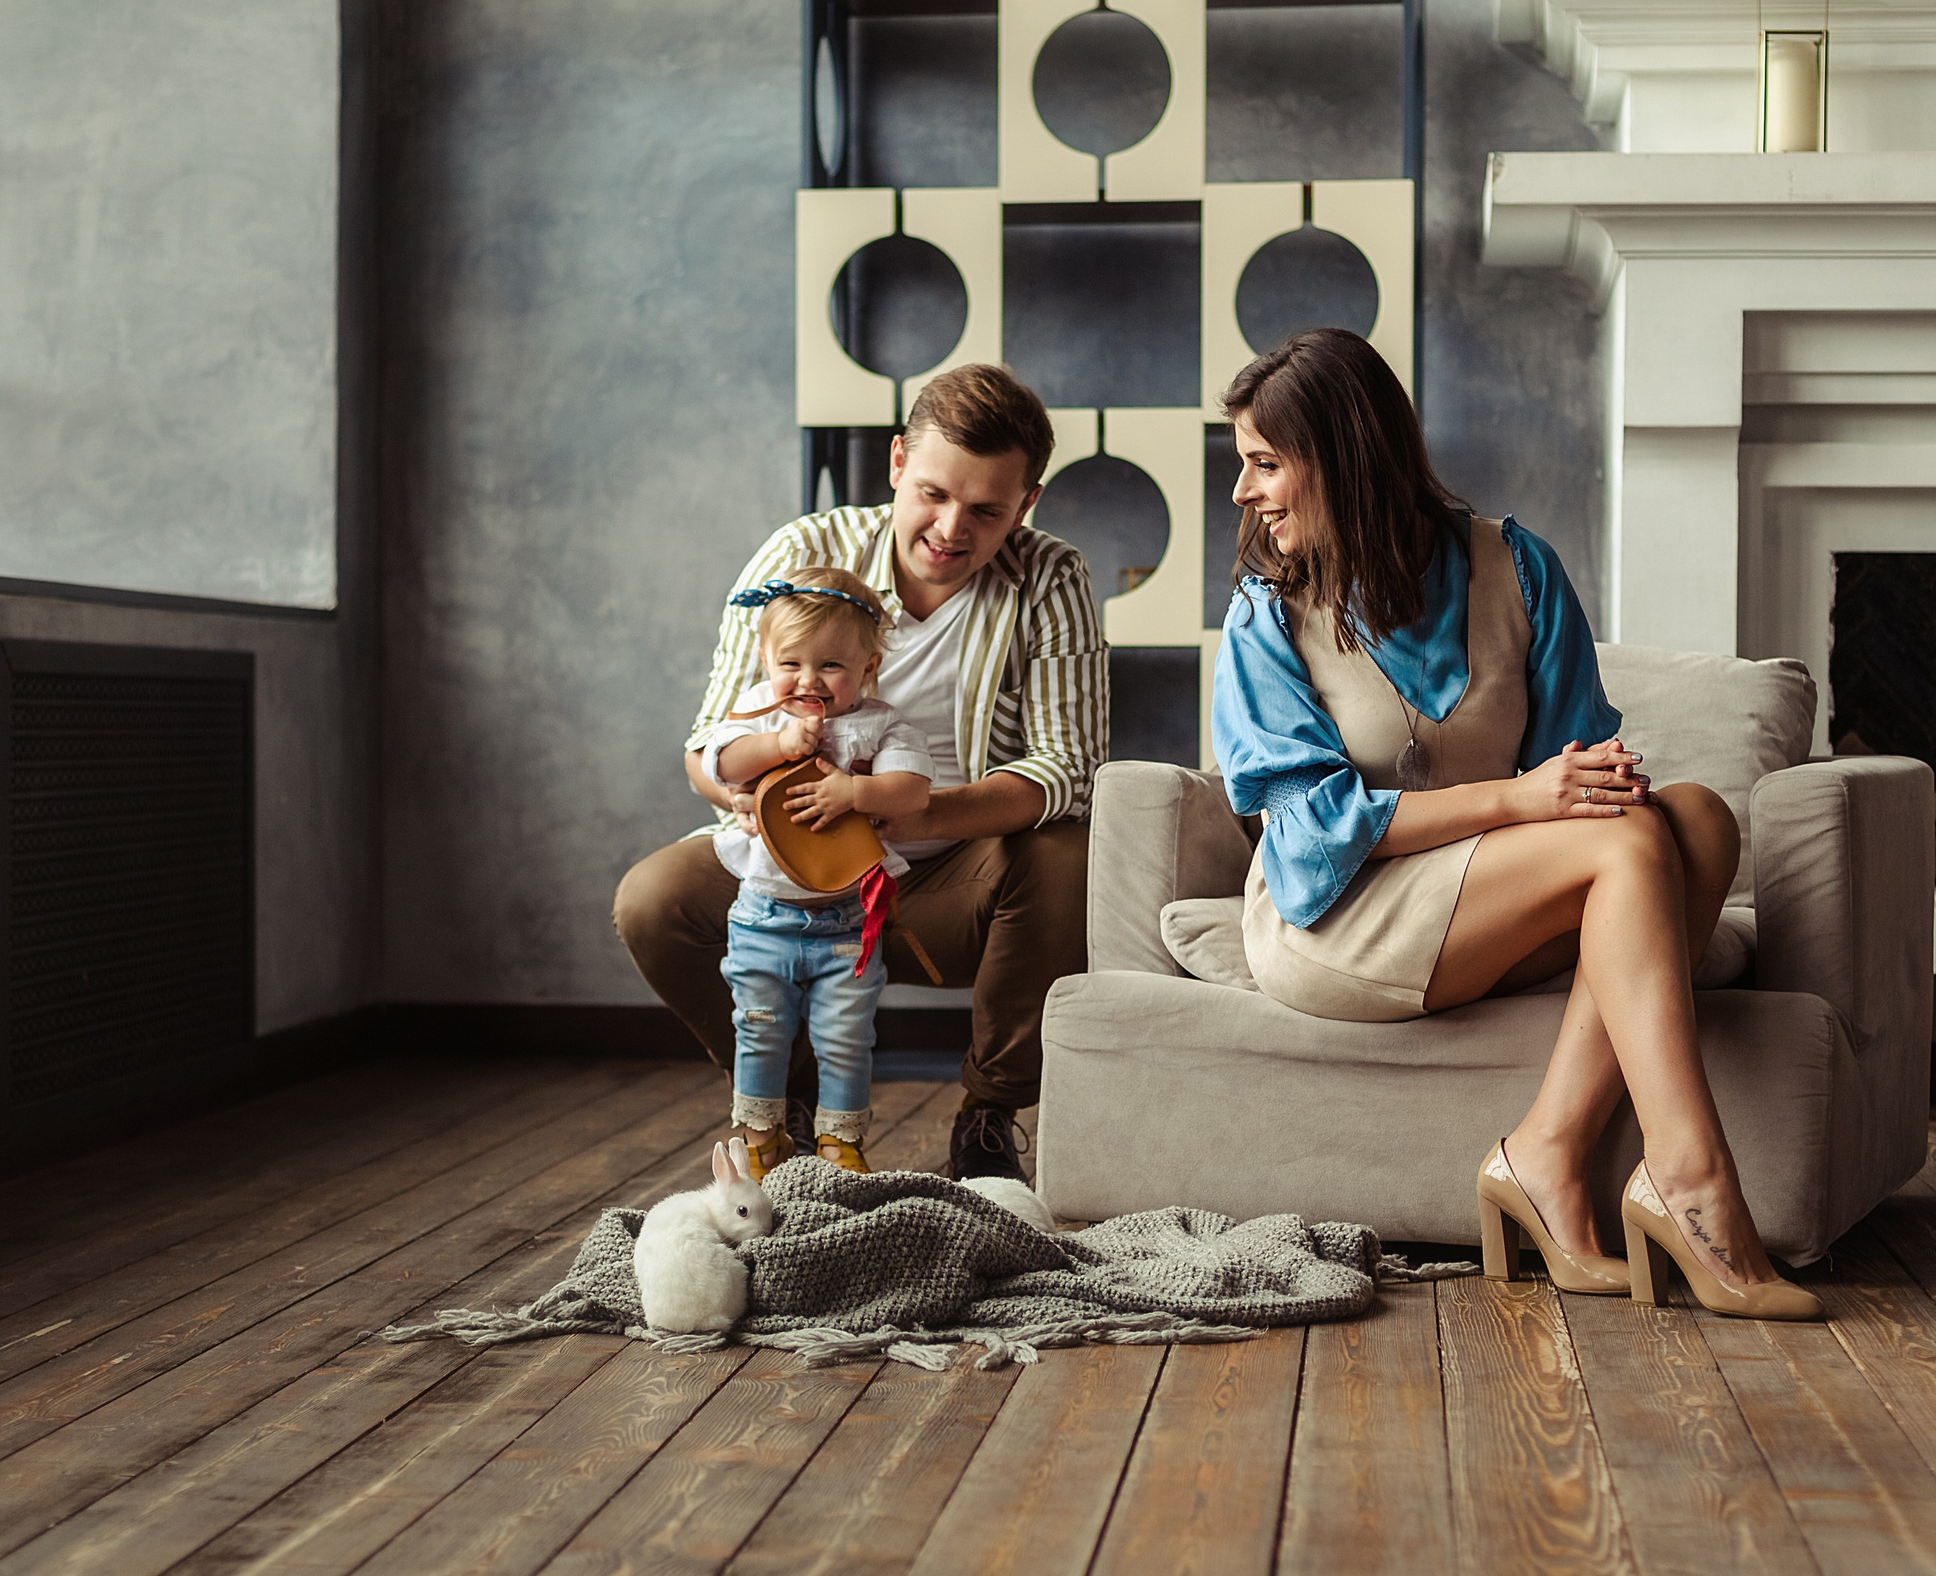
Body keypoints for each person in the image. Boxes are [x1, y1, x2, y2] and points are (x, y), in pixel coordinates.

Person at [1211, 328, 1820, 1321]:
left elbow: (1590, 780)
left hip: (1482, 895)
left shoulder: (1515, 565)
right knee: (1631, 839)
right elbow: (1314, 836)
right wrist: (1520, 798)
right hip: (1337, 917)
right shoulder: (1264, 619)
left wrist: (1570, 791)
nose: (1244, 492)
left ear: (1346, 459)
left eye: (1265, 463)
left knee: (1696, 820)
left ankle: (1546, 1152)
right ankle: (1693, 1179)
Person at [615, 363, 1105, 1182]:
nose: (952, 529)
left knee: (1072, 851)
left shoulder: (1051, 577)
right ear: (896, 463)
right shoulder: (802, 552)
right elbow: (708, 741)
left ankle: (989, 1115)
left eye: (988, 510)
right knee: (651, 901)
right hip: (788, 853)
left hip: (952, 874)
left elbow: (1067, 770)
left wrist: (907, 814)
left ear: (1028, 504)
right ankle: (790, 1100)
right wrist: (747, 789)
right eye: (933, 494)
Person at [702, 567, 934, 1177]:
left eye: (831, 666)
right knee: (759, 1029)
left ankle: (840, 1145)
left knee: (845, 1039)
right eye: (791, 663)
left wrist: (854, 793)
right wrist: (780, 746)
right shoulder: (758, 712)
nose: (808, 680)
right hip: (762, 916)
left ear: (869, 667)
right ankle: (760, 1140)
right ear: (764, 659)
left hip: (846, 923)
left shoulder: (882, 724)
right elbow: (722, 762)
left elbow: (911, 792)